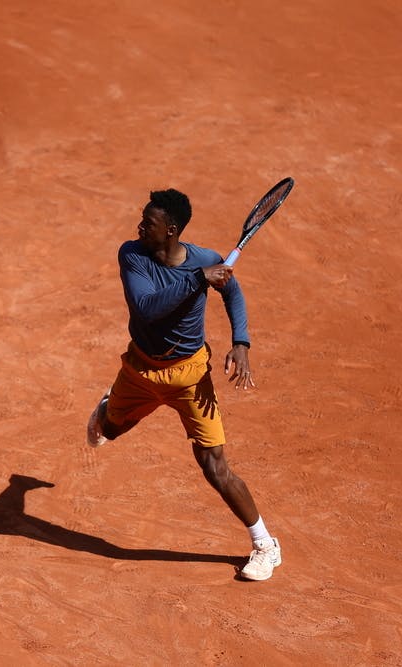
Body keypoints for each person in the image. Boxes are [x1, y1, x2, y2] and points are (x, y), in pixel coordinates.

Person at [86, 187, 281, 581]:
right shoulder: (132, 254)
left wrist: (241, 342)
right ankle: (108, 410)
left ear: (171, 230)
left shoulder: (207, 261)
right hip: (140, 371)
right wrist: (197, 279)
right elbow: (147, 308)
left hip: (190, 377)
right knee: (108, 430)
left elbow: (233, 292)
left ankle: (265, 544)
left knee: (214, 465)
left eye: (149, 223)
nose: (139, 226)